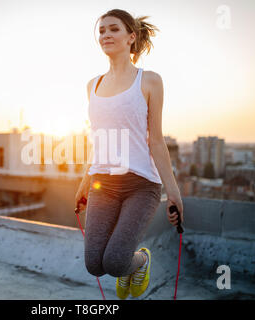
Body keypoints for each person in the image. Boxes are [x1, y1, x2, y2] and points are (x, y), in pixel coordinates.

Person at [75, 9, 184, 300]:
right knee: (94, 265)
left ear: (131, 37)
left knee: (116, 262)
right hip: (103, 184)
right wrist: (85, 182)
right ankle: (128, 267)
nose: (106, 35)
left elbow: (157, 142)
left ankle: (142, 261)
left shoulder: (149, 81)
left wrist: (173, 193)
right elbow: (99, 139)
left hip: (141, 185)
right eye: (101, 31)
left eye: (113, 29)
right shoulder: (93, 86)